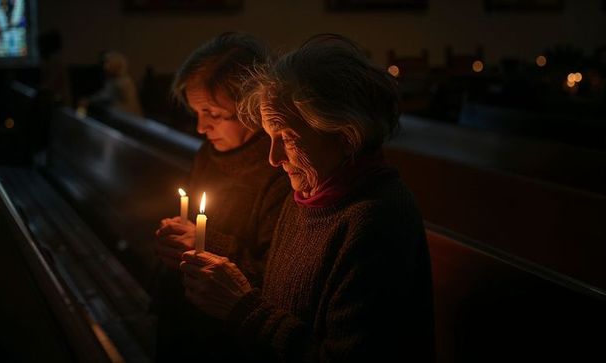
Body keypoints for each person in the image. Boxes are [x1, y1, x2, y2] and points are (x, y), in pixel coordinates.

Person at [179, 34, 435, 362]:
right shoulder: (305, 196)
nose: (273, 158)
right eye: (270, 137)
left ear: (346, 135)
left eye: (286, 137)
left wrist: (242, 308)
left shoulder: (375, 221)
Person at [152, 32, 291, 362]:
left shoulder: (280, 169)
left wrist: (205, 242)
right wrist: (175, 240)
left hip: (233, 340)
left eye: (212, 113)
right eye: (196, 111)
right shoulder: (209, 153)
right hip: (184, 319)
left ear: (252, 107)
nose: (201, 127)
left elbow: (275, 275)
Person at [84, 50, 143, 116]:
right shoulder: (112, 80)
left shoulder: (124, 82)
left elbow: (106, 96)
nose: (105, 67)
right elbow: (104, 95)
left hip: (127, 117)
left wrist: (89, 101)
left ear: (117, 65)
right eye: (105, 63)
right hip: (116, 115)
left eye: (108, 63)